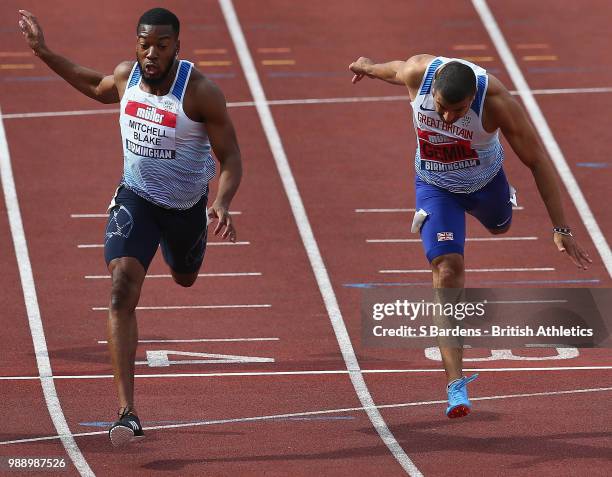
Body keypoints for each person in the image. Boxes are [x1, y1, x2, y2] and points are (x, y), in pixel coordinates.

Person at [19, 8, 243, 445]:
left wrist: (221, 201)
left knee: (185, 277)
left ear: (177, 46)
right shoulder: (127, 78)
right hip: (136, 199)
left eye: (161, 44)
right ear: (136, 44)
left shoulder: (200, 93)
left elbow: (231, 156)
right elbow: (92, 84)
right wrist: (42, 51)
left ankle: (188, 247)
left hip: (185, 208)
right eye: (144, 44)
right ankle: (126, 412)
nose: (152, 52)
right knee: (121, 289)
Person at [349, 54, 591, 418]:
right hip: (434, 186)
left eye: (458, 111)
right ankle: (455, 385)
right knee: (447, 268)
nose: (447, 119)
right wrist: (367, 67)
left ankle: (498, 206)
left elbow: (538, 161)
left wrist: (560, 228)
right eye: (442, 109)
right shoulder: (419, 73)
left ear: (472, 98)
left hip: (485, 183)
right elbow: (393, 70)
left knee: (499, 226)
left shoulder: (495, 102)